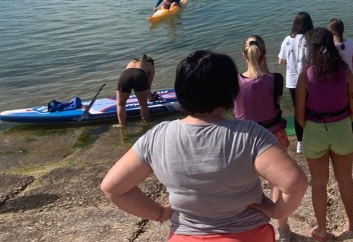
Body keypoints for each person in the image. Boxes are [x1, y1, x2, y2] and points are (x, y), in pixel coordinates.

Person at [101, 50, 308, 241]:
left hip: (185, 235)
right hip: (247, 234)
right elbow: (295, 183)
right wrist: (275, 211)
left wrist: (159, 213)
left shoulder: (158, 136)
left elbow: (113, 187)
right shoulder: (249, 134)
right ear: (231, 92)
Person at [294, 28, 353, 241]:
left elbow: (299, 114)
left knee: (318, 183)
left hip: (315, 129)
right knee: (345, 179)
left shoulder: (305, 75)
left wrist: (314, 127)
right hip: (341, 125)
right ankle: (351, 220)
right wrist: (344, 122)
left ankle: (322, 230)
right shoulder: (345, 72)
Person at [235, 35, 292, 241]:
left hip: (243, 138)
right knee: (277, 183)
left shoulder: (234, 82)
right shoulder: (275, 79)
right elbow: (273, 103)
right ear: (264, 54)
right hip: (273, 135)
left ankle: (247, 228)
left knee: (245, 184)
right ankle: (283, 230)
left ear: (244, 55)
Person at [278, 11, 313, 154]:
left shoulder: (287, 39)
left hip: (292, 81)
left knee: (297, 109)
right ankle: (311, 137)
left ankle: (300, 142)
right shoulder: (310, 39)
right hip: (308, 80)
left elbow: (281, 61)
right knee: (309, 108)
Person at [115, 54, 155, 127]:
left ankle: (122, 125)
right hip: (139, 76)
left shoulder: (133, 62)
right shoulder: (151, 66)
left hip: (125, 75)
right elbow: (149, 85)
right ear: (151, 62)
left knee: (120, 104)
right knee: (143, 104)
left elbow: (129, 73)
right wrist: (149, 97)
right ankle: (146, 122)